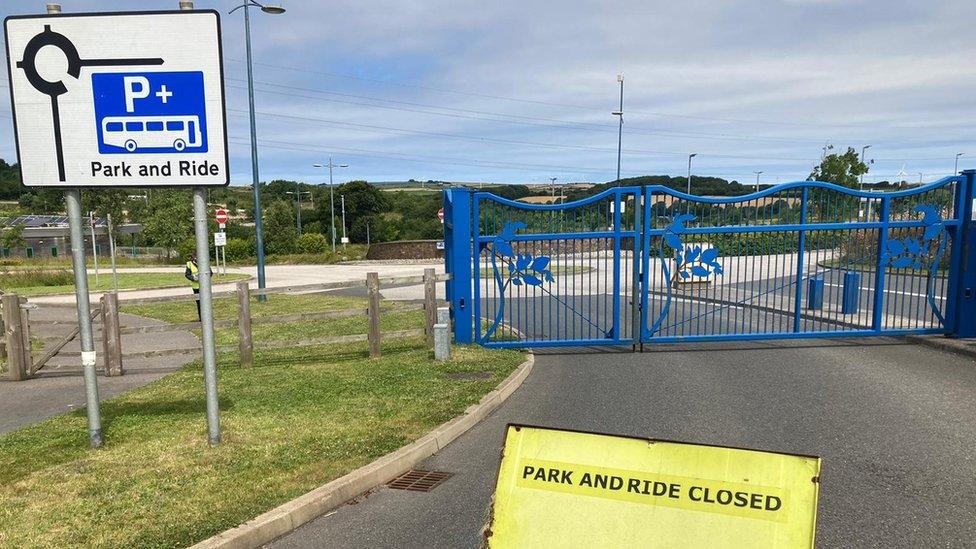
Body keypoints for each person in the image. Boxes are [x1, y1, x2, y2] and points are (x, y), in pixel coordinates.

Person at [184, 253, 207, 321]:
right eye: (194, 257)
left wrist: (204, 277)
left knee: (206, 302)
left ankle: (207, 318)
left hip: (205, 286)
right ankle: (201, 318)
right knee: (199, 303)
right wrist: (193, 278)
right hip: (196, 287)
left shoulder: (204, 262)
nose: (195, 258)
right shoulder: (189, 264)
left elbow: (210, 273)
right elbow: (187, 275)